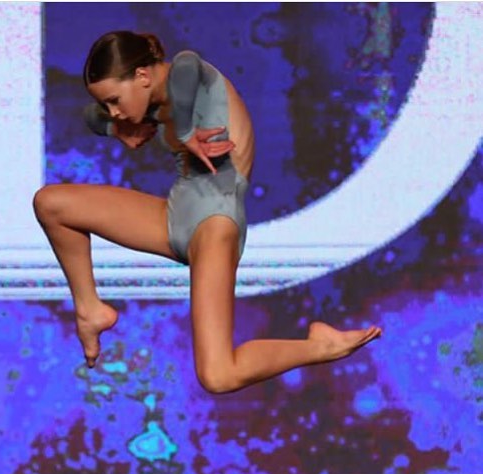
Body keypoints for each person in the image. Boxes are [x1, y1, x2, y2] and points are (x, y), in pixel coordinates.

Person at [33, 31, 381, 394]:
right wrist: (115, 127)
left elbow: (186, 66)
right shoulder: (150, 101)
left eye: (115, 101)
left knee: (218, 375)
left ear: (142, 76)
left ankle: (319, 346)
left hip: (214, 223)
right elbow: (91, 116)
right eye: (109, 104)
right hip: (176, 215)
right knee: (51, 204)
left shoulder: (192, 77)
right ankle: (90, 309)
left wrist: (184, 131)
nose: (114, 110)